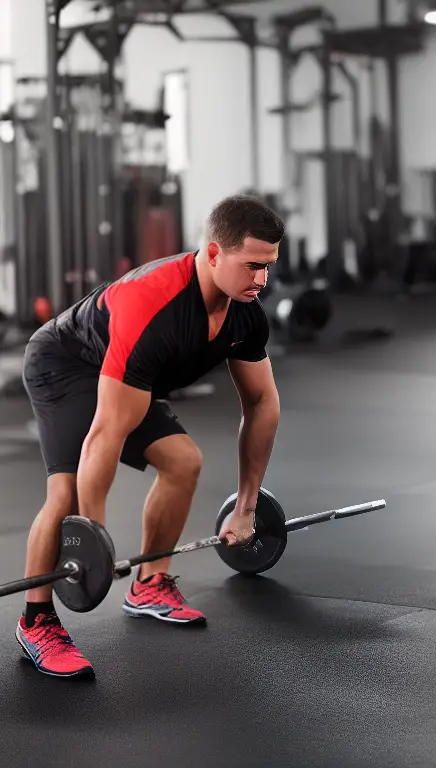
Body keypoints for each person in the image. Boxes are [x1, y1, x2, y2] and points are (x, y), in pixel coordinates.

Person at [16, 195, 284, 678]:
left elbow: (262, 404)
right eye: (252, 266)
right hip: (66, 364)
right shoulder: (155, 305)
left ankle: (150, 584)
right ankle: (37, 621)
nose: (261, 281)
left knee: (183, 462)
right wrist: (94, 541)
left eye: (269, 267)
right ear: (214, 253)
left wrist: (246, 508)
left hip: (125, 375)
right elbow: (104, 434)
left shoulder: (246, 315)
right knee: (66, 492)